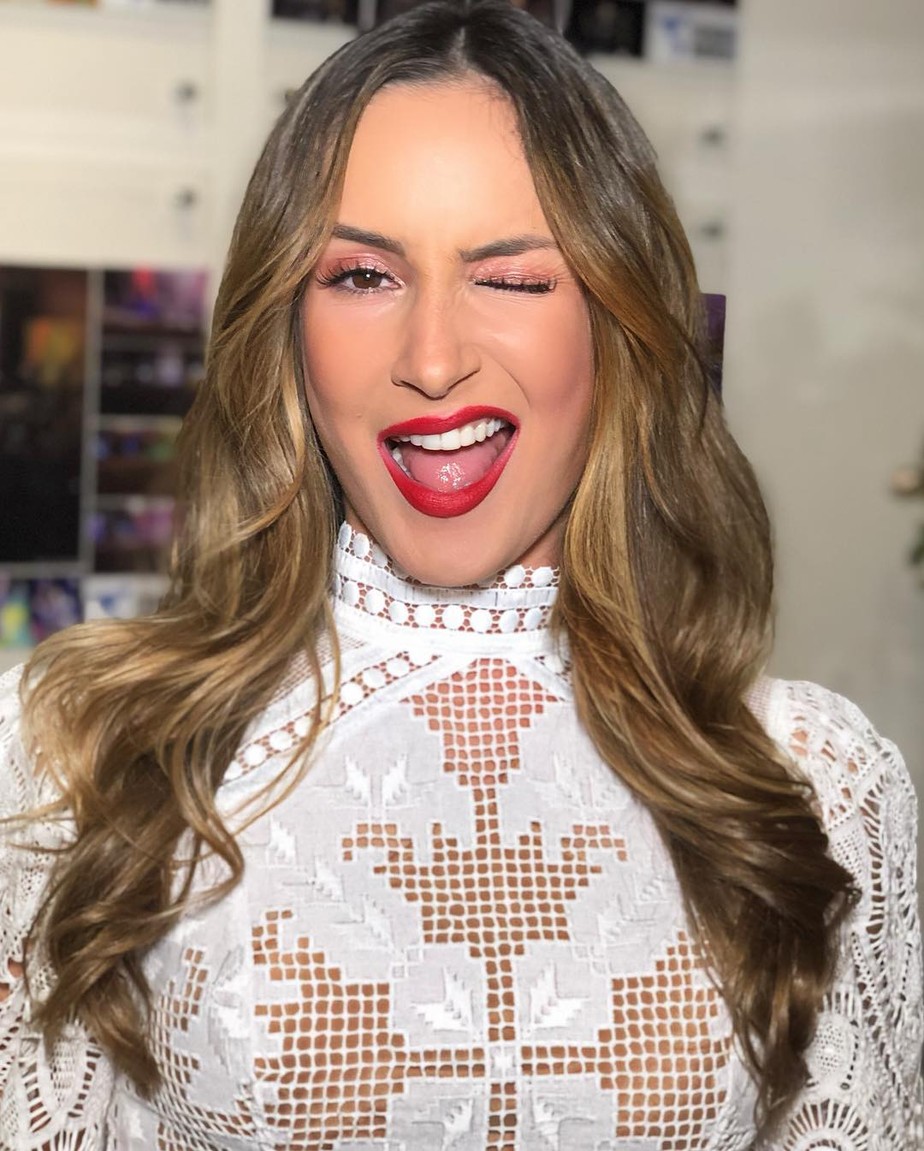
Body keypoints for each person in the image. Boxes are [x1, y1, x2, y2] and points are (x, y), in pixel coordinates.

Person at [1, 1, 921, 1147]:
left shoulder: (815, 783)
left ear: (621, 325)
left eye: (514, 280)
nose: (433, 359)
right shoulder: (74, 753)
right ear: (285, 327)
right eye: (361, 276)